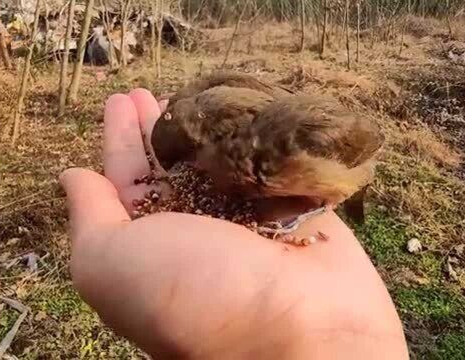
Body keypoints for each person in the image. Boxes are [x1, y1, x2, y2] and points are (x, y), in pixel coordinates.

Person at [59, 88, 410, 359]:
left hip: (344, 171)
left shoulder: (304, 147)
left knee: (326, 196)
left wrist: (295, 219)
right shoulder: (241, 147)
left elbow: (366, 144)